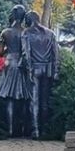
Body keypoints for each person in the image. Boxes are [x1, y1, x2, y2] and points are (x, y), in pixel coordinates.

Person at [22, 11, 59, 139]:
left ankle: (35, 130)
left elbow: (26, 54)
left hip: (34, 69)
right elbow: (56, 55)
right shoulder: (51, 34)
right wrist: (56, 71)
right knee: (44, 101)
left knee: (34, 101)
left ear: (29, 20)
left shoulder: (26, 33)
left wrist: (29, 70)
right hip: (47, 70)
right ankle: (45, 130)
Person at [0, 5, 31, 137]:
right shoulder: (26, 32)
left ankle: (10, 130)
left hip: (9, 63)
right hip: (21, 65)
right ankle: (23, 129)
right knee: (23, 97)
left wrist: (7, 49)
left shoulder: (5, 32)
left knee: (10, 97)